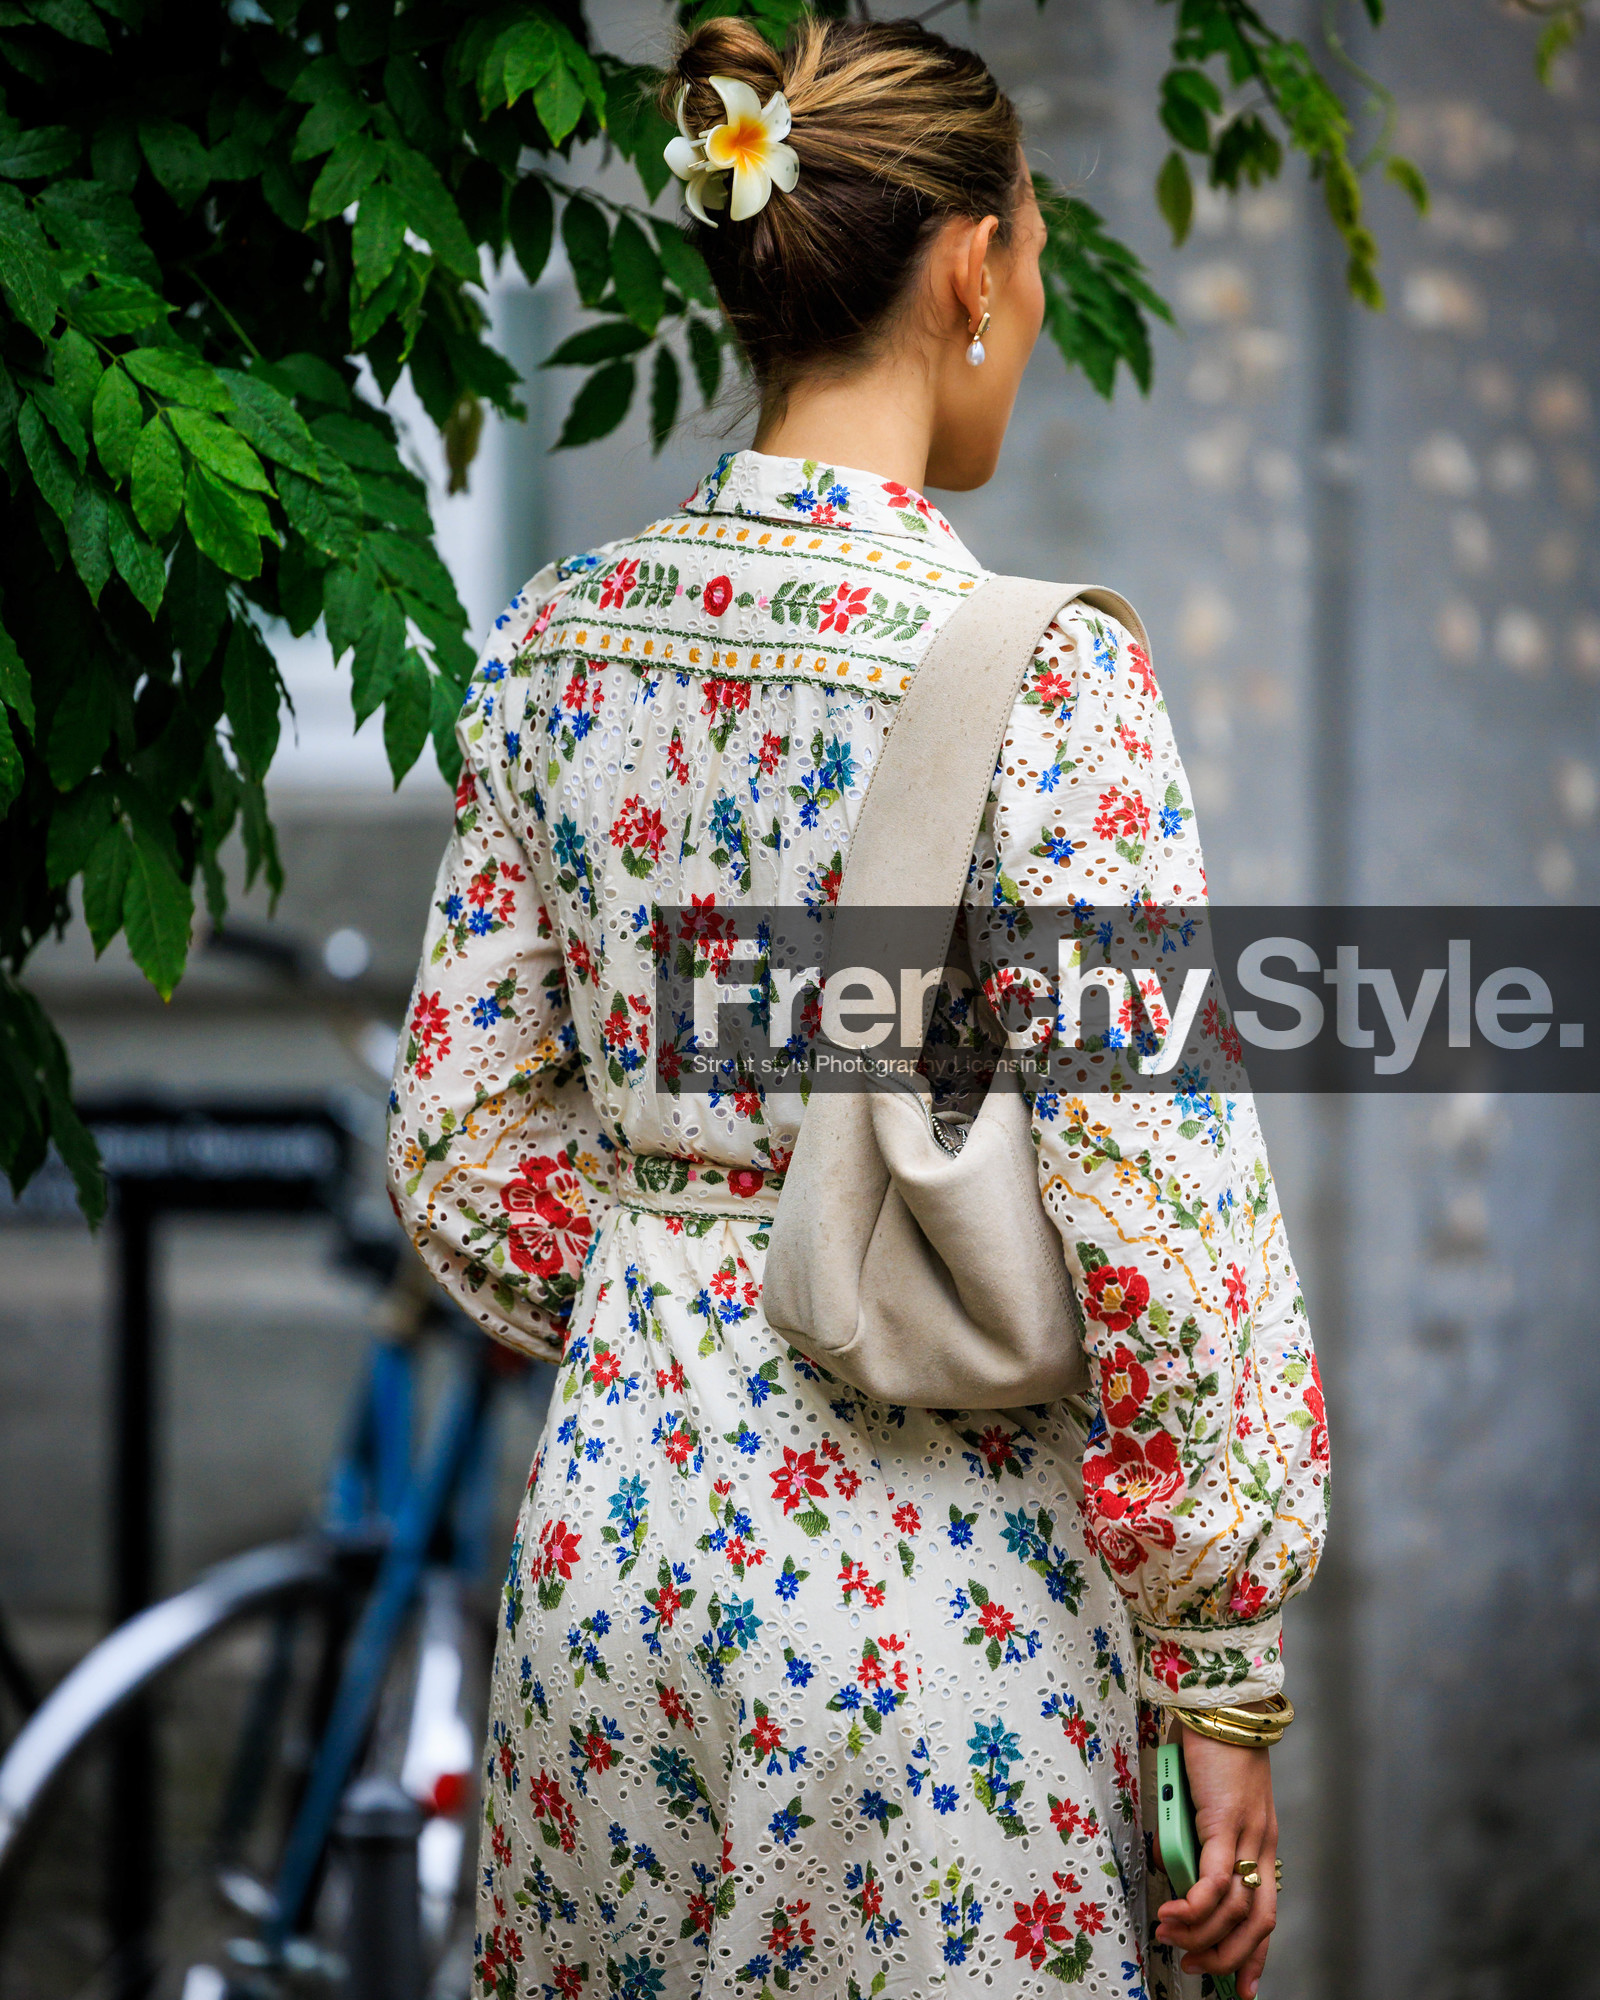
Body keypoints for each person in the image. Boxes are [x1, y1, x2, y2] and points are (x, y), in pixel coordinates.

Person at [387, 15, 1328, 1997]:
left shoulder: (552, 644)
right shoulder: (1040, 681)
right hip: (934, 1609)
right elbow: (1160, 1206)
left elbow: (464, 1137)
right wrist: (1217, 1673)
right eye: (1041, 256)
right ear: (972, 264)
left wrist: (686, 1260)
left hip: (614, 1562)